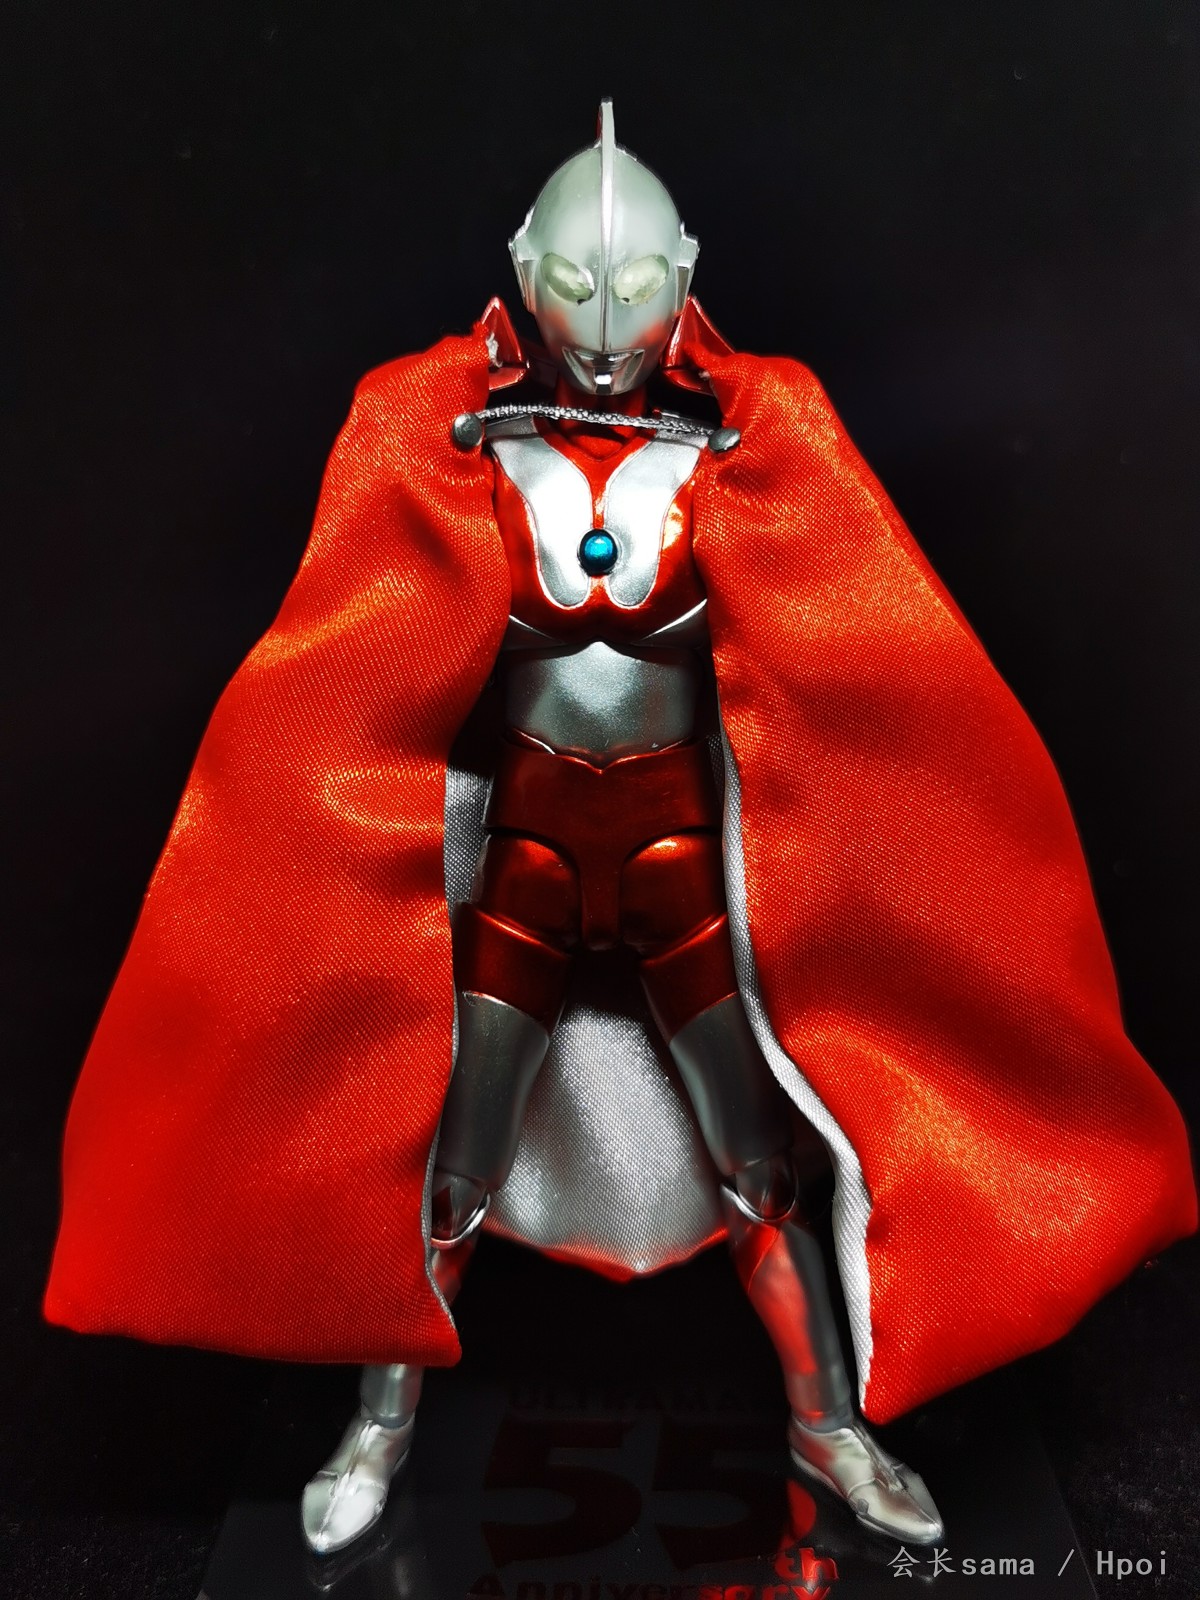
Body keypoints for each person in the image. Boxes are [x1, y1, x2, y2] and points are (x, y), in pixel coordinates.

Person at [45, 102, 1196, 1564]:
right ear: (526, 275)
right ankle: (380, 1426)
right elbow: (364, 649)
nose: (604, 332)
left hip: (676, 862)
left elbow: (860, 652)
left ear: (685, 277)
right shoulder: (458, 443)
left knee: (758, 1166)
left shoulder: (748, 447)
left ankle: (827, 1427)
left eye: (637, 288)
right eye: (578, 290)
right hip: (527, 854)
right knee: (449, 1164)